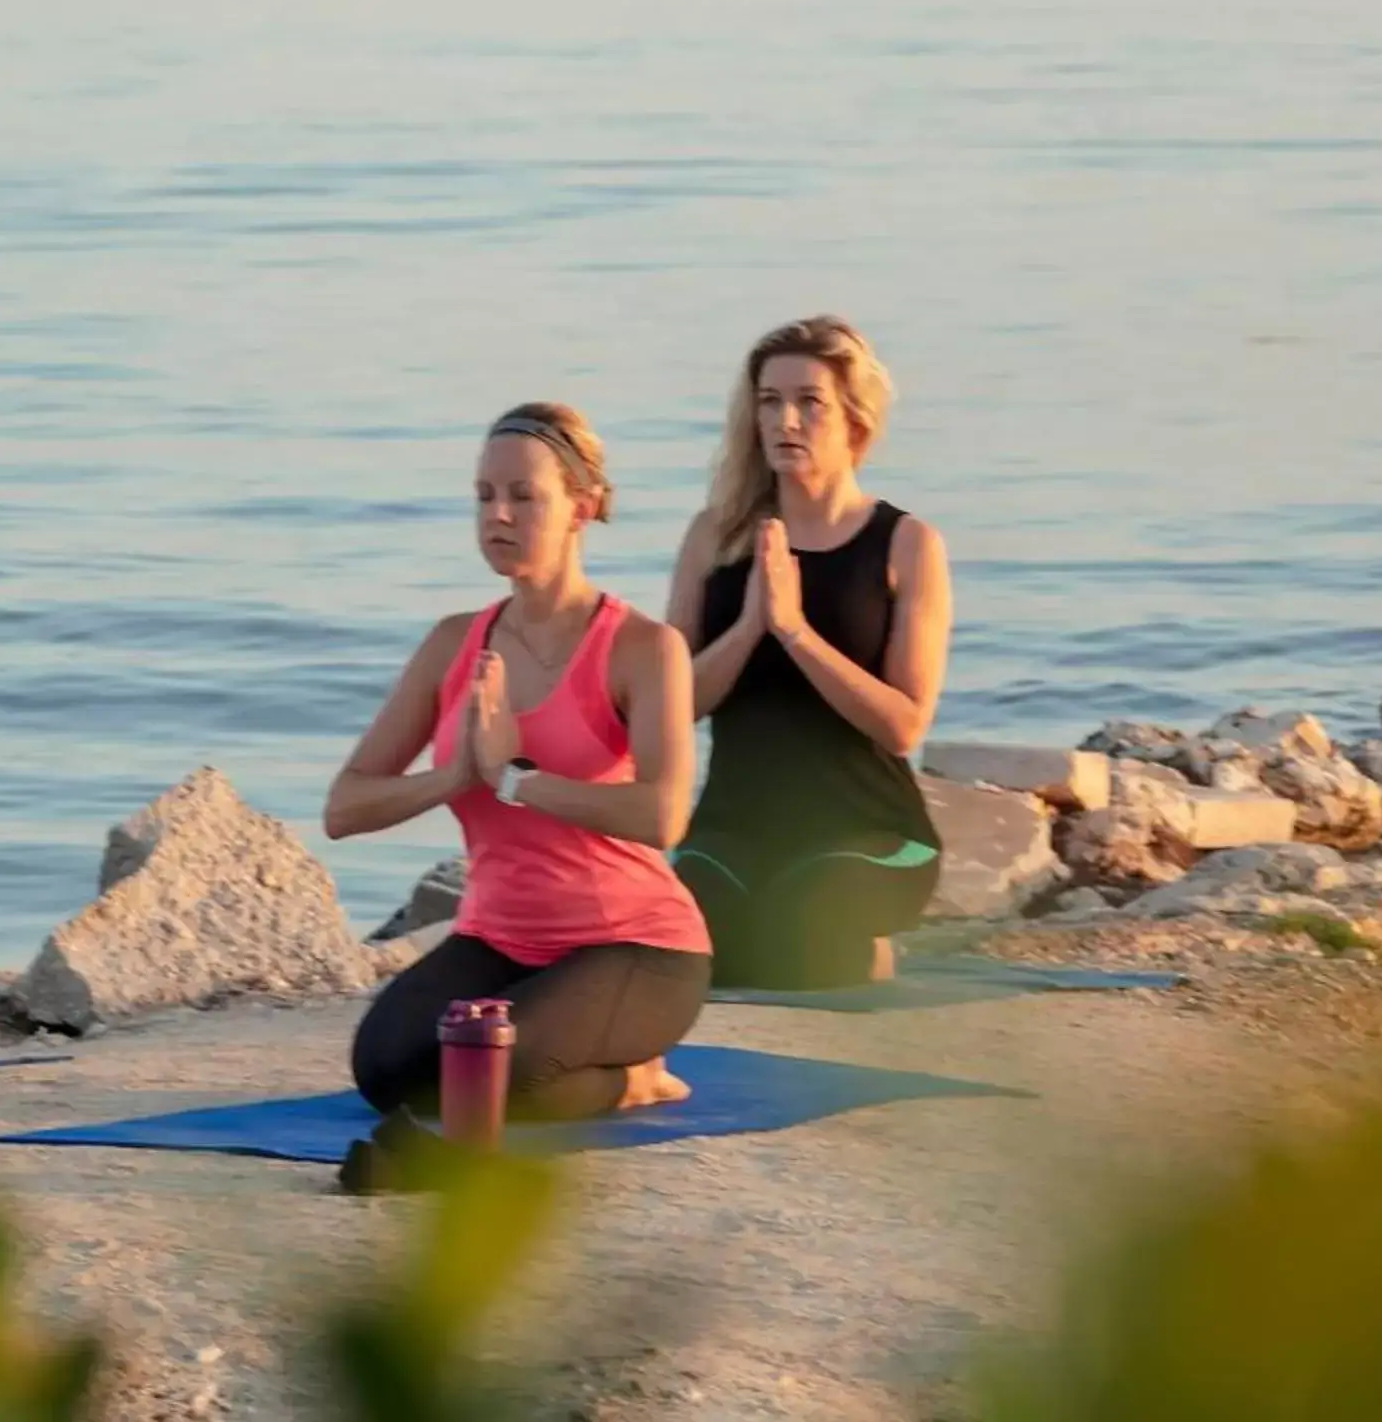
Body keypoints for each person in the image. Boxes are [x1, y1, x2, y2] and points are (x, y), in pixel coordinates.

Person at [325, 403, 709, 1194]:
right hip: (501, 939)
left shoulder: (643, 649)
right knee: (385, 1068)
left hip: (637, 945)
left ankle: (634, 1077)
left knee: (502, 1075)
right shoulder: (451, 643)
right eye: (482, 495)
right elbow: (345, 806)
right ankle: (588, 1061)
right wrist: (455, 776)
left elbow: (662, 816)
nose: (497, 515)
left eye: (523, 495)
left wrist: (512, 778)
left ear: (584, 505)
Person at [666, 316, 952, 991]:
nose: (784, 419)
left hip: (871, 832)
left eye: (808, 401)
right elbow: (673, 704)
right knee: (696, 951)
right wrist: (748, 630)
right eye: (769, 400)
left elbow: (904, 724)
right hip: (737, 829)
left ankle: (875, 951)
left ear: (854, 417)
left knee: (808, 930)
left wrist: (795, 631)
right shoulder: (716, 538)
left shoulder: (906, 544)